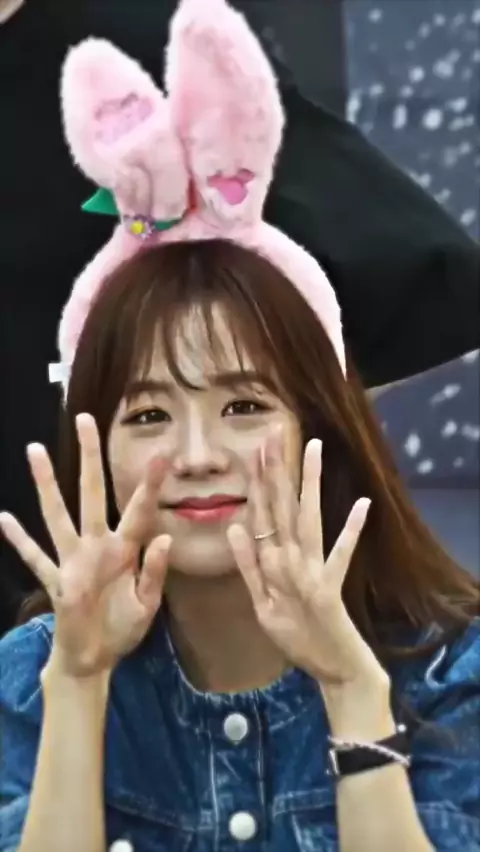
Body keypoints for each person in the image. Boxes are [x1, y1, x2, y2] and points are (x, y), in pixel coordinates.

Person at [0, 1, 478, 851]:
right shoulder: (31, 678)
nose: (195, 455)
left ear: (319, 422)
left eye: (245, 406)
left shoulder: (451, 673)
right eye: (150, 414)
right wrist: (76, 686)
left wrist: (352, 695)